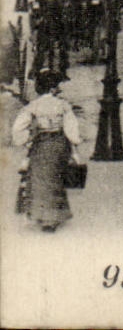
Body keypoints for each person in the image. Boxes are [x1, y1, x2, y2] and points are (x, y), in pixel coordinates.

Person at [10, 69, 82, 232]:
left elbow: (18, 128)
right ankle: (54, 216)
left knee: (39, 179)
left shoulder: (33, 107)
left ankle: (40, 215)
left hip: (41, 145)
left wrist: (26, 138)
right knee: (56, 179)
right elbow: (71, 128)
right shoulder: (63, 105)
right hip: (59, 145)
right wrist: (75, 142)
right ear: (52, 88)